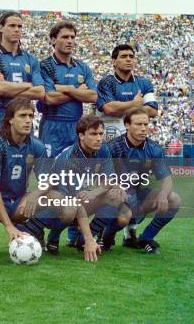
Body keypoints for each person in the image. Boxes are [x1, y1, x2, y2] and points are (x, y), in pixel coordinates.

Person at [0, 98, 98, 260]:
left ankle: (34, 230)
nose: (28, 120)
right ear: (10, 120)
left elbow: (49, 180)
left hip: (18, 202)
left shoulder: (37, 146)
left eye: (31, 115)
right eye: (23, 116)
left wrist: (36, 193)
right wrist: (9, 226)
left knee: (62, 201)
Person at [32, 115, 129, 255]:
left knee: (116, 197)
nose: (99, 138)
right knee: (70, 209)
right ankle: (52, 236)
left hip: (81, 198)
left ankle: (82, 241)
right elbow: (71, 200)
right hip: (56, 205)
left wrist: (98, 192)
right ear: (81, 135)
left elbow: (109, 180)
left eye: (101, 134)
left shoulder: (103, 150)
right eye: (93, 134)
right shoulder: (69, 157)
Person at [95, 44, 158, 243]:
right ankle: (81, 235)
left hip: (134, 145)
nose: (129, 59)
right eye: (124, 56)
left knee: (136, 189)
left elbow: (153, 110)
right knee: (108, 191)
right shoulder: (106, 83)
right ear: (114, 61)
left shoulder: (144, 83)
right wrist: (135, 104)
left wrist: (125, 107)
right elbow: (108, 107)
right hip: (110, 146)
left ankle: (130, 231)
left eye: (132, 56)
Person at [107, 108, 181, 253]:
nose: (143, 129)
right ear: (127, 125)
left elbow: (167, 179)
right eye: (138, 124)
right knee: (123, 217)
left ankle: (145, 238)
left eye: (146, 124)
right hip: (114, 195)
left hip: (137, 193)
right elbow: (102, 177)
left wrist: (163, 194)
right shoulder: (113, 147)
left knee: (174, 199)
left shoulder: (154, 149)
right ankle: (107, 236)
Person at [0, 11, 45, 158]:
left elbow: (40, 92)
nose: (17, 29)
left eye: (19, 26)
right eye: (12, 26)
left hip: (24, 116)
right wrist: (28, 85)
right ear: (1, 28)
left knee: (24, 168)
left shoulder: (30, 59)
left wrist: (8, 88)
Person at [38, 20, 97, 158]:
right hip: (52, 125)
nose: (70, 41)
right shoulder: (45, 66)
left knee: (76, 172)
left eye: (72, 37)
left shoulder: (82, 67)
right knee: (50, 172)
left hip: (77, 125)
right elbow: (49, 98)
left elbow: (93, 96)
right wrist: (78, 90)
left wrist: (66, 89)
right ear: (53, 40)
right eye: (65, 37)